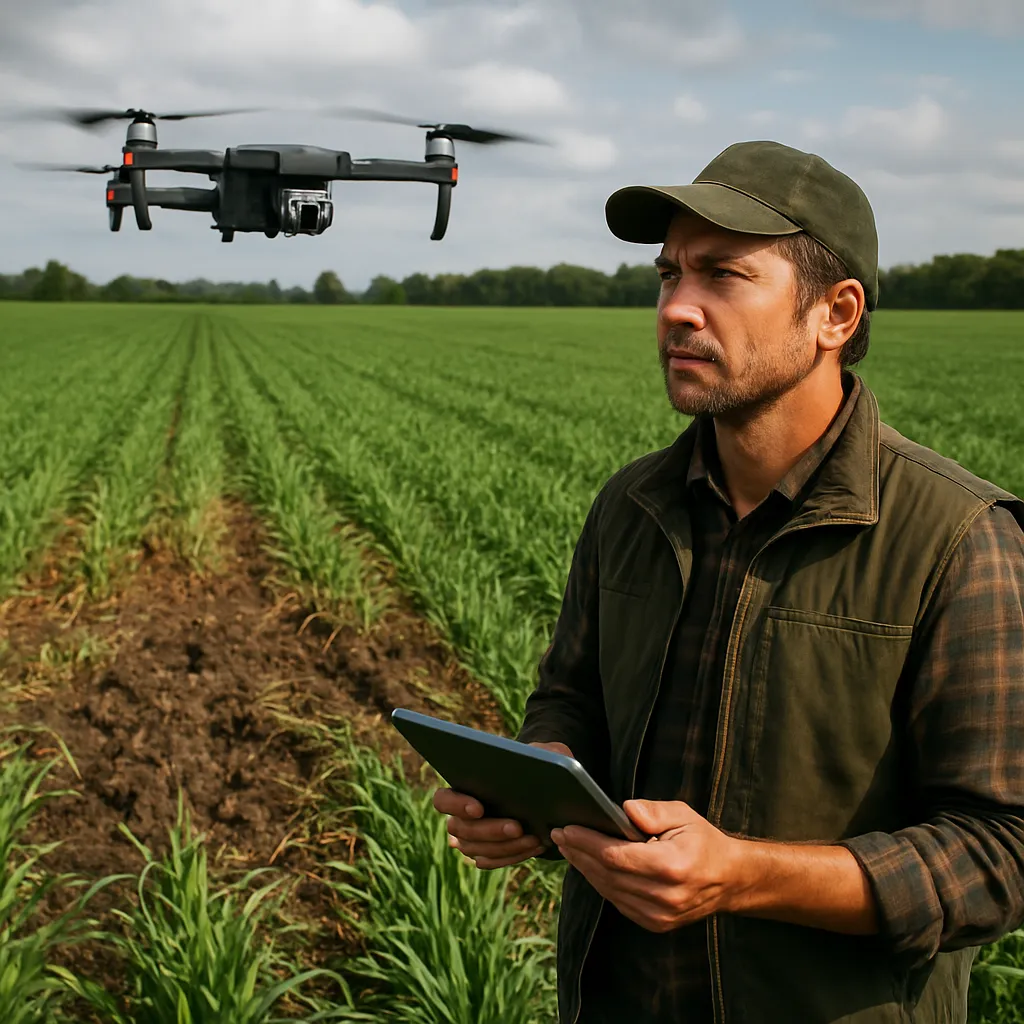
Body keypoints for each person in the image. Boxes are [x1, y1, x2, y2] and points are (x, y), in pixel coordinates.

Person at [431, 140, 1024, 1023]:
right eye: (668, 276)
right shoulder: (631, 506)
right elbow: (571, 698)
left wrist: (745, 878)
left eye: (723, 276)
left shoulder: (959, 537)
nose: (677, 308)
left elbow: (1000, 853)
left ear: (836, 313)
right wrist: (542, 786)